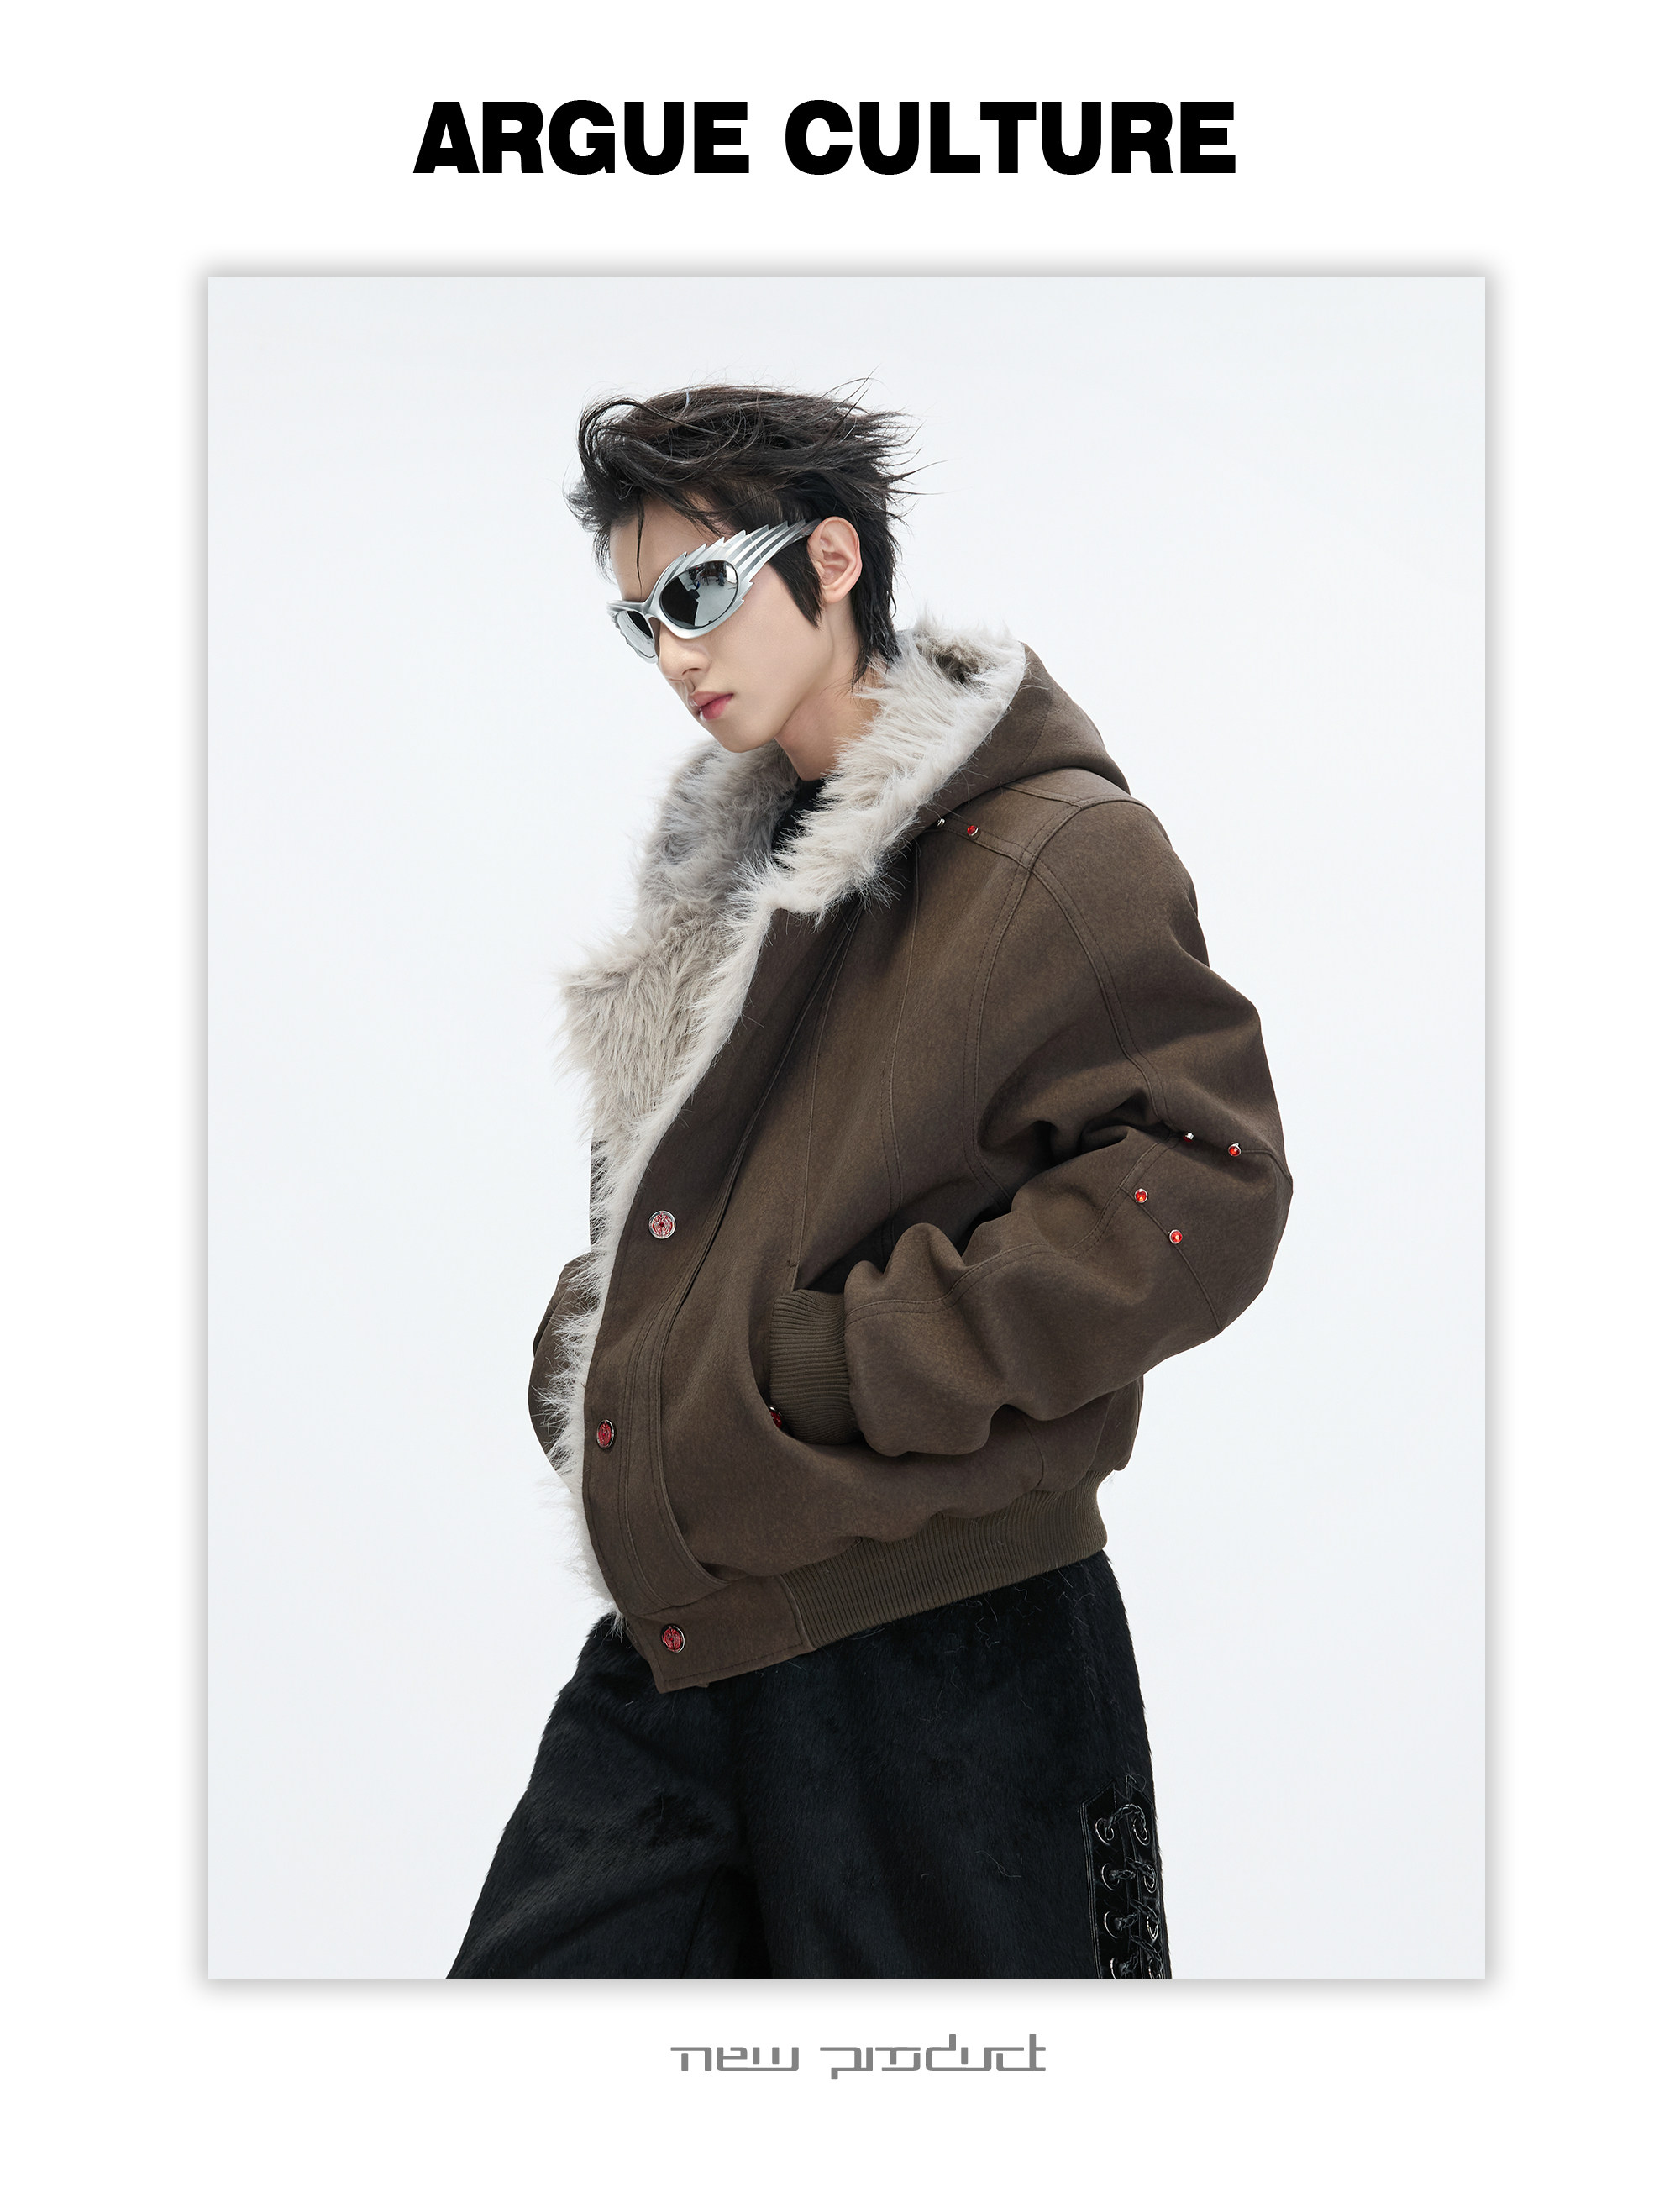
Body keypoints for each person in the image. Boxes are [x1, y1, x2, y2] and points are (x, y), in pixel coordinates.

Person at [449, 383, 1291, 1979]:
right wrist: (611, 1350)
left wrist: (845, 1358)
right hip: (688, 1650)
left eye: (700, 591)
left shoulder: (1055, 853)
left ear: (831, 559)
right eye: (640, 619)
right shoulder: (718, 892)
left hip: (954, 1664)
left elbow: (1209, 1181)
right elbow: (672, 1215)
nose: (675, 652)